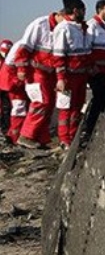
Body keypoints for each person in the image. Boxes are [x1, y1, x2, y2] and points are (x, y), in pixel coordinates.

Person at [15, 8, 65, 149]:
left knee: (49, 105)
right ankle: (26, 135)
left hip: (50, 74)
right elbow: (24, 48)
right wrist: (21, 68)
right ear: (59, 15)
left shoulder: (61, 29)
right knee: (41, 102)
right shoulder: (39, 25)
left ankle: (40, 138)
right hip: (36, 72)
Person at [51, 0, 92, 148]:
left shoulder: (81, 28)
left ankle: (73, 137)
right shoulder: (63, 29)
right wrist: (61, 78)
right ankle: (64, 139)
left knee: (77, 107)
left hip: (81, 75)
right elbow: (59, 56)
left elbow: (86, 52)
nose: (85, 13)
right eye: (83, 10)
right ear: (76, 11)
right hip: (69, 76)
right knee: (65, 108)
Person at [83, 0, 105, 143]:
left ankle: (97, 130)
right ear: (100, 9)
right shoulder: (92, 26)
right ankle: (88, 130)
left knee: (103, 102)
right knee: (97, 101)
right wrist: (91, 67)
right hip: (97, 72)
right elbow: (86, 48)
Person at [0, 39, 12, 142]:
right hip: (3, 86)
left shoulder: (8, 60)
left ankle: (6, 129)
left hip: (5, 86)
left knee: (7, 108)